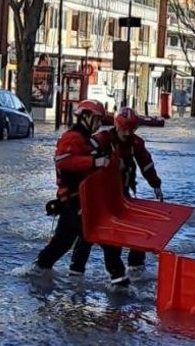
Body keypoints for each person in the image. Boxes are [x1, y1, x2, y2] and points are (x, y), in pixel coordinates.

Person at [33, 100, 128, 286]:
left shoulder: (90, 139)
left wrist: (114, 162)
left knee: (66, 243)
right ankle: (119, 282)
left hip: (87, 203)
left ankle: (50, 271)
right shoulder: (72, 138)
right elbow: (63, 161)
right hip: (74, 203)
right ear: (85, 117)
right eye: (97, 119)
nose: (99, 123)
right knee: (100, 240)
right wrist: (94, 163)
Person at [70, 107, 164, 280]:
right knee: (89, 231)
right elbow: (84, 161)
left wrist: (155, 184)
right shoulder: (101, 139)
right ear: (116, 126)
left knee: (136, 226)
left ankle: (135, 265)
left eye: (132, 129)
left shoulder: (136, 143)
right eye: (124, 129)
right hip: (100, 195)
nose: (127, 133)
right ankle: (77, 269)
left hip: (122, 194)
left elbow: (146, 164)